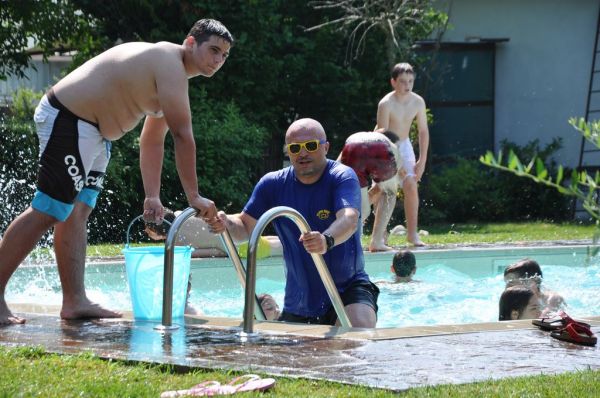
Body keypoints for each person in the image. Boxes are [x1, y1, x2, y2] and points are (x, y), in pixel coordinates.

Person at [0, 19, 234, 325]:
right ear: (191, 42)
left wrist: (152, 195)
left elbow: (151, 139)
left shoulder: (173, 78)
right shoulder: (168, 61)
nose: (218, 60)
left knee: (77, 212)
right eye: (213, 50)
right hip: (70, 118)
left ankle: (74, 301)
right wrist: (194, 196)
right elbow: (182, 135)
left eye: (224, 55)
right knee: (49, 210)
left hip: (95, 133)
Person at [208, 118, 379, 328]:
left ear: (325, 147)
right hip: (300, 301)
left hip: (348, 288)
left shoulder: (341, 176)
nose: (303, 153)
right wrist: (226, 223)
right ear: (288, 151)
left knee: (359, 329)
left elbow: (349, 219)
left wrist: (326, 239)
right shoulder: (272, 184)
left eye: (311, 146)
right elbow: (244, 228)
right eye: (295, 148)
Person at [374, 62, 430, 247]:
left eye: (410, 81)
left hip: (404, 145)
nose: (407, 85)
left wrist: (422, 160)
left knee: (411, 184)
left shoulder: (418, 101)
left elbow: (423, 131)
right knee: (384, 190)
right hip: (385, 146)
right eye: (403, 81)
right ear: (393, 82)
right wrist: (396, 166)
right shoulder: (386, 103)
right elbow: (383, 135)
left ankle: (412, 235)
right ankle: (380, 235)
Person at [337, 130, 401, 252]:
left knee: (361, 210)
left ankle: (349, 241)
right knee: (390, 193)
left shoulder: (358, 139)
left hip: (352, 145)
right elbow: (380, 189)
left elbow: (336, 172)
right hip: (382, 149)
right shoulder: (392, 147)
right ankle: (376, 242)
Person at [144, 209, 282, 258]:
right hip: (235, 228)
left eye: (147, 230)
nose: (146, 232)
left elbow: (217, 251)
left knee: (283, 248)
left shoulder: (177, 244)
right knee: (279, 240)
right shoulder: (182, 214)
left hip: (237, 246)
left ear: (153, 231)